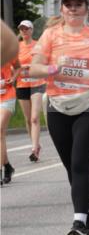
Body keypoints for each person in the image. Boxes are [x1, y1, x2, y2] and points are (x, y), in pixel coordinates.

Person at [29, 0, 89, 235]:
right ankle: (88, 206)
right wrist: (52, 68)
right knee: (70, 166)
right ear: (61, 9)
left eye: (77, 4)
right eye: (68, 5)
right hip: (58, 106)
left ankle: (79, 221)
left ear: (86, 8)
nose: (72, 9)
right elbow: (34, 69)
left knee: (80, 163)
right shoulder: (50, 36)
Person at [15, 20, 46, 161]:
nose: (24, 31)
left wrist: (31, 66)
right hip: (22, 84)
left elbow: (44, 62)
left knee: (34, 118)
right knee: (28, 119)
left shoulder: (38, 45)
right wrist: (18, 69)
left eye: (27, 28)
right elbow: (12, 65)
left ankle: (34, 149)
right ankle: (35, 144)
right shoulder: (16, 47)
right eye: (21, 29)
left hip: (37, 83)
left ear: (32, 30)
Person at [0, 54, 17, 185]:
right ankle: (7, 166)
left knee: (0, 130)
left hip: (7, 96)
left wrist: (13, 78)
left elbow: (18, 67)